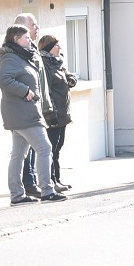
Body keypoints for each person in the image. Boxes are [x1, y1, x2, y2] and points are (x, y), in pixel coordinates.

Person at [0, 24, 66, 204]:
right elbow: (3, 79)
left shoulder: (22, 56)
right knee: (45, 148)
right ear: (15, 39)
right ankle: (47, 190)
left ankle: (17, 196)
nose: (30, 39)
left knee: (18, 154)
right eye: (26, 37)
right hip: (23, 114)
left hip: (23, 113)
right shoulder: (11, 58)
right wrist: (25, 91)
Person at [38, 34, 77, 191]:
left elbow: (67, 75)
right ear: (49, 48)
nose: (60, 48)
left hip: (63, 114)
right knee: (52, 149)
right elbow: (45, 90)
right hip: (53, 115)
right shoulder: (45, 65)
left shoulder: (57, 62)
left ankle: (58, 179)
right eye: (57, 46)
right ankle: (52, 181)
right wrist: (50, 112)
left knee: (58, 147)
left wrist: (71, 79)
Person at [13, 14, 46, 198]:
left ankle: (26, 187)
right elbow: (5, 79)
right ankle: (31, 184)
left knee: (27, 151)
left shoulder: (32, 49)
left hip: (36, 105)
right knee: (41, 148)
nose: (37, 27)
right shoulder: (14, 53)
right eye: (33, 25)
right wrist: (25, 92)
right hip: (23, 108)